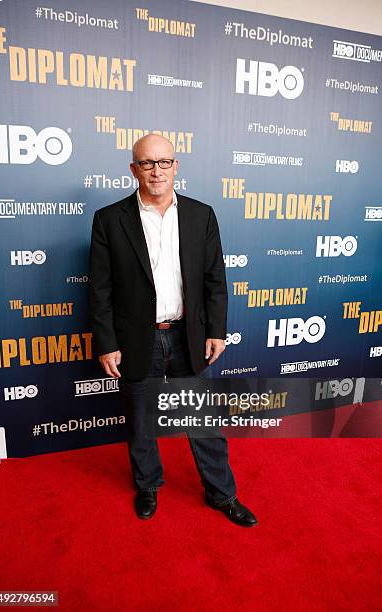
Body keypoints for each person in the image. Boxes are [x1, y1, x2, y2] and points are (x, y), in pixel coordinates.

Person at [88, 134, 257, 527]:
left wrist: (217, 330)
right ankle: (147, 485)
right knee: (141, 420)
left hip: (188, 336)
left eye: (164, 162)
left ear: (176, 166)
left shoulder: (202, 215)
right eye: (147, 163)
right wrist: (107, 343)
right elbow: (100, 289)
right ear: (134, 170)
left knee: (203, 423)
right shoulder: (109, 219)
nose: (156, 171)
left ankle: (222, 494)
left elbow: (216, 279)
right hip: (135, 338)